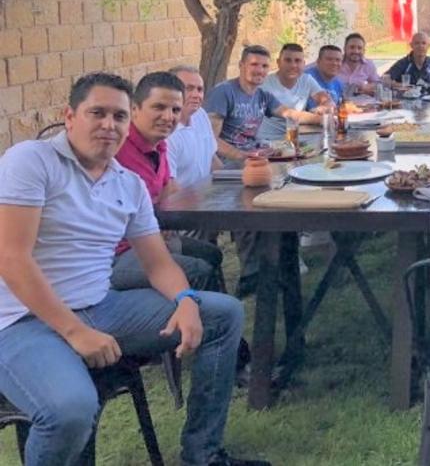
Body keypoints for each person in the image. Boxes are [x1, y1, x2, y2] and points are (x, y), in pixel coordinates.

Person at [0, 72, 267, 466]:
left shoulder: (128, 184)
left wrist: (185, 299)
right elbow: (12, 258)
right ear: (70, 116)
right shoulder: (32, 160)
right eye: (98, 113)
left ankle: (203, 454)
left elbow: (157, 262)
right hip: (22, 320)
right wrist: (74, 331)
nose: (109, 124)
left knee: (223, 313)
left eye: (119, 116)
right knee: (70, 410)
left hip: (101, 306)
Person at [111, 72, 223, 292]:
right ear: (134, 109)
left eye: (175, 110)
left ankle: (217, 306)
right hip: (117, 252)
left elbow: (168, 192)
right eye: (159, 107)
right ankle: (196, 310)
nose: (168, 117)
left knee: (211, 254)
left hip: (151, 237)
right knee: (199, 268)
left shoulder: (160, 145)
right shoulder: (117, 149)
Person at [204, 45, 324, 165]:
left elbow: (291, 114)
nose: (260, 70)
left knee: (310, 153)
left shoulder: (263, 95)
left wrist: (323, 119)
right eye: (254, 64)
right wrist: (242, 156)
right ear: (241, 65)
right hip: (230, 164)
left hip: (255, 156)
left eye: (264, 66)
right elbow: (210, 138)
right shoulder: (223, 92)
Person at [256, 43, 333, 142]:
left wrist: (323, 107)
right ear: (278, 62)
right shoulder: (264, 84)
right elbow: (290, 114)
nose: (293, 65)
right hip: (269, 141)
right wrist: (320, 119)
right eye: (288, 60)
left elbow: (326, 100)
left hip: (297, 137)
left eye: (297, 61)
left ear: (303, 64)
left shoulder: (306, 79)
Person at [166, 65, 220, 188]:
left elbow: (212, 158)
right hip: (180, 199)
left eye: (200, 89)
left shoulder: (200, 114)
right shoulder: (166, 131)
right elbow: (169, 186)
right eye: (189, 88)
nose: (196, 95)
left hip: (206, 194)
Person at [337, 33, 380, 99]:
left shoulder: (368, 64)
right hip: (335, 101)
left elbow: (377, 83)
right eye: (352, 47)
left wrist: (366, 87)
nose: (356, 51)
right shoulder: (336, 62)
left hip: (360, 102)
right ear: (345, 49)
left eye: (359, 48)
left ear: (364, 51)